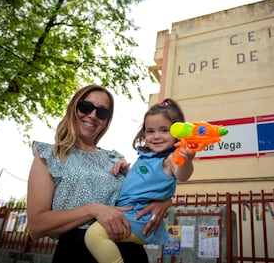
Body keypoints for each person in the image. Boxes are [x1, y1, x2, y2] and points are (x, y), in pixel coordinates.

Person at [27, 85, 172, 263]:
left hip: (130, 251)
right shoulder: (48, 156)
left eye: (102, 112)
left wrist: (165, 202)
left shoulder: (115, 158)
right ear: (74, 107)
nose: (93, 116)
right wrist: (93, 210)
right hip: (76, 253)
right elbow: (36, 226)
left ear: (106, 120)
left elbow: (148, 187)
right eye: (86, 107)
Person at [85, 98, 196, 263]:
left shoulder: (170, 158)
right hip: (130, 213)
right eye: (150, 131)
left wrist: (186, 161)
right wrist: (127, 171)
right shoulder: (146, 157)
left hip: (139, 218)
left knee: (94, 236)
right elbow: (143, 182)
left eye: (164, 130)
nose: (156, 136)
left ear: (177, 132)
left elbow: (182, 175)